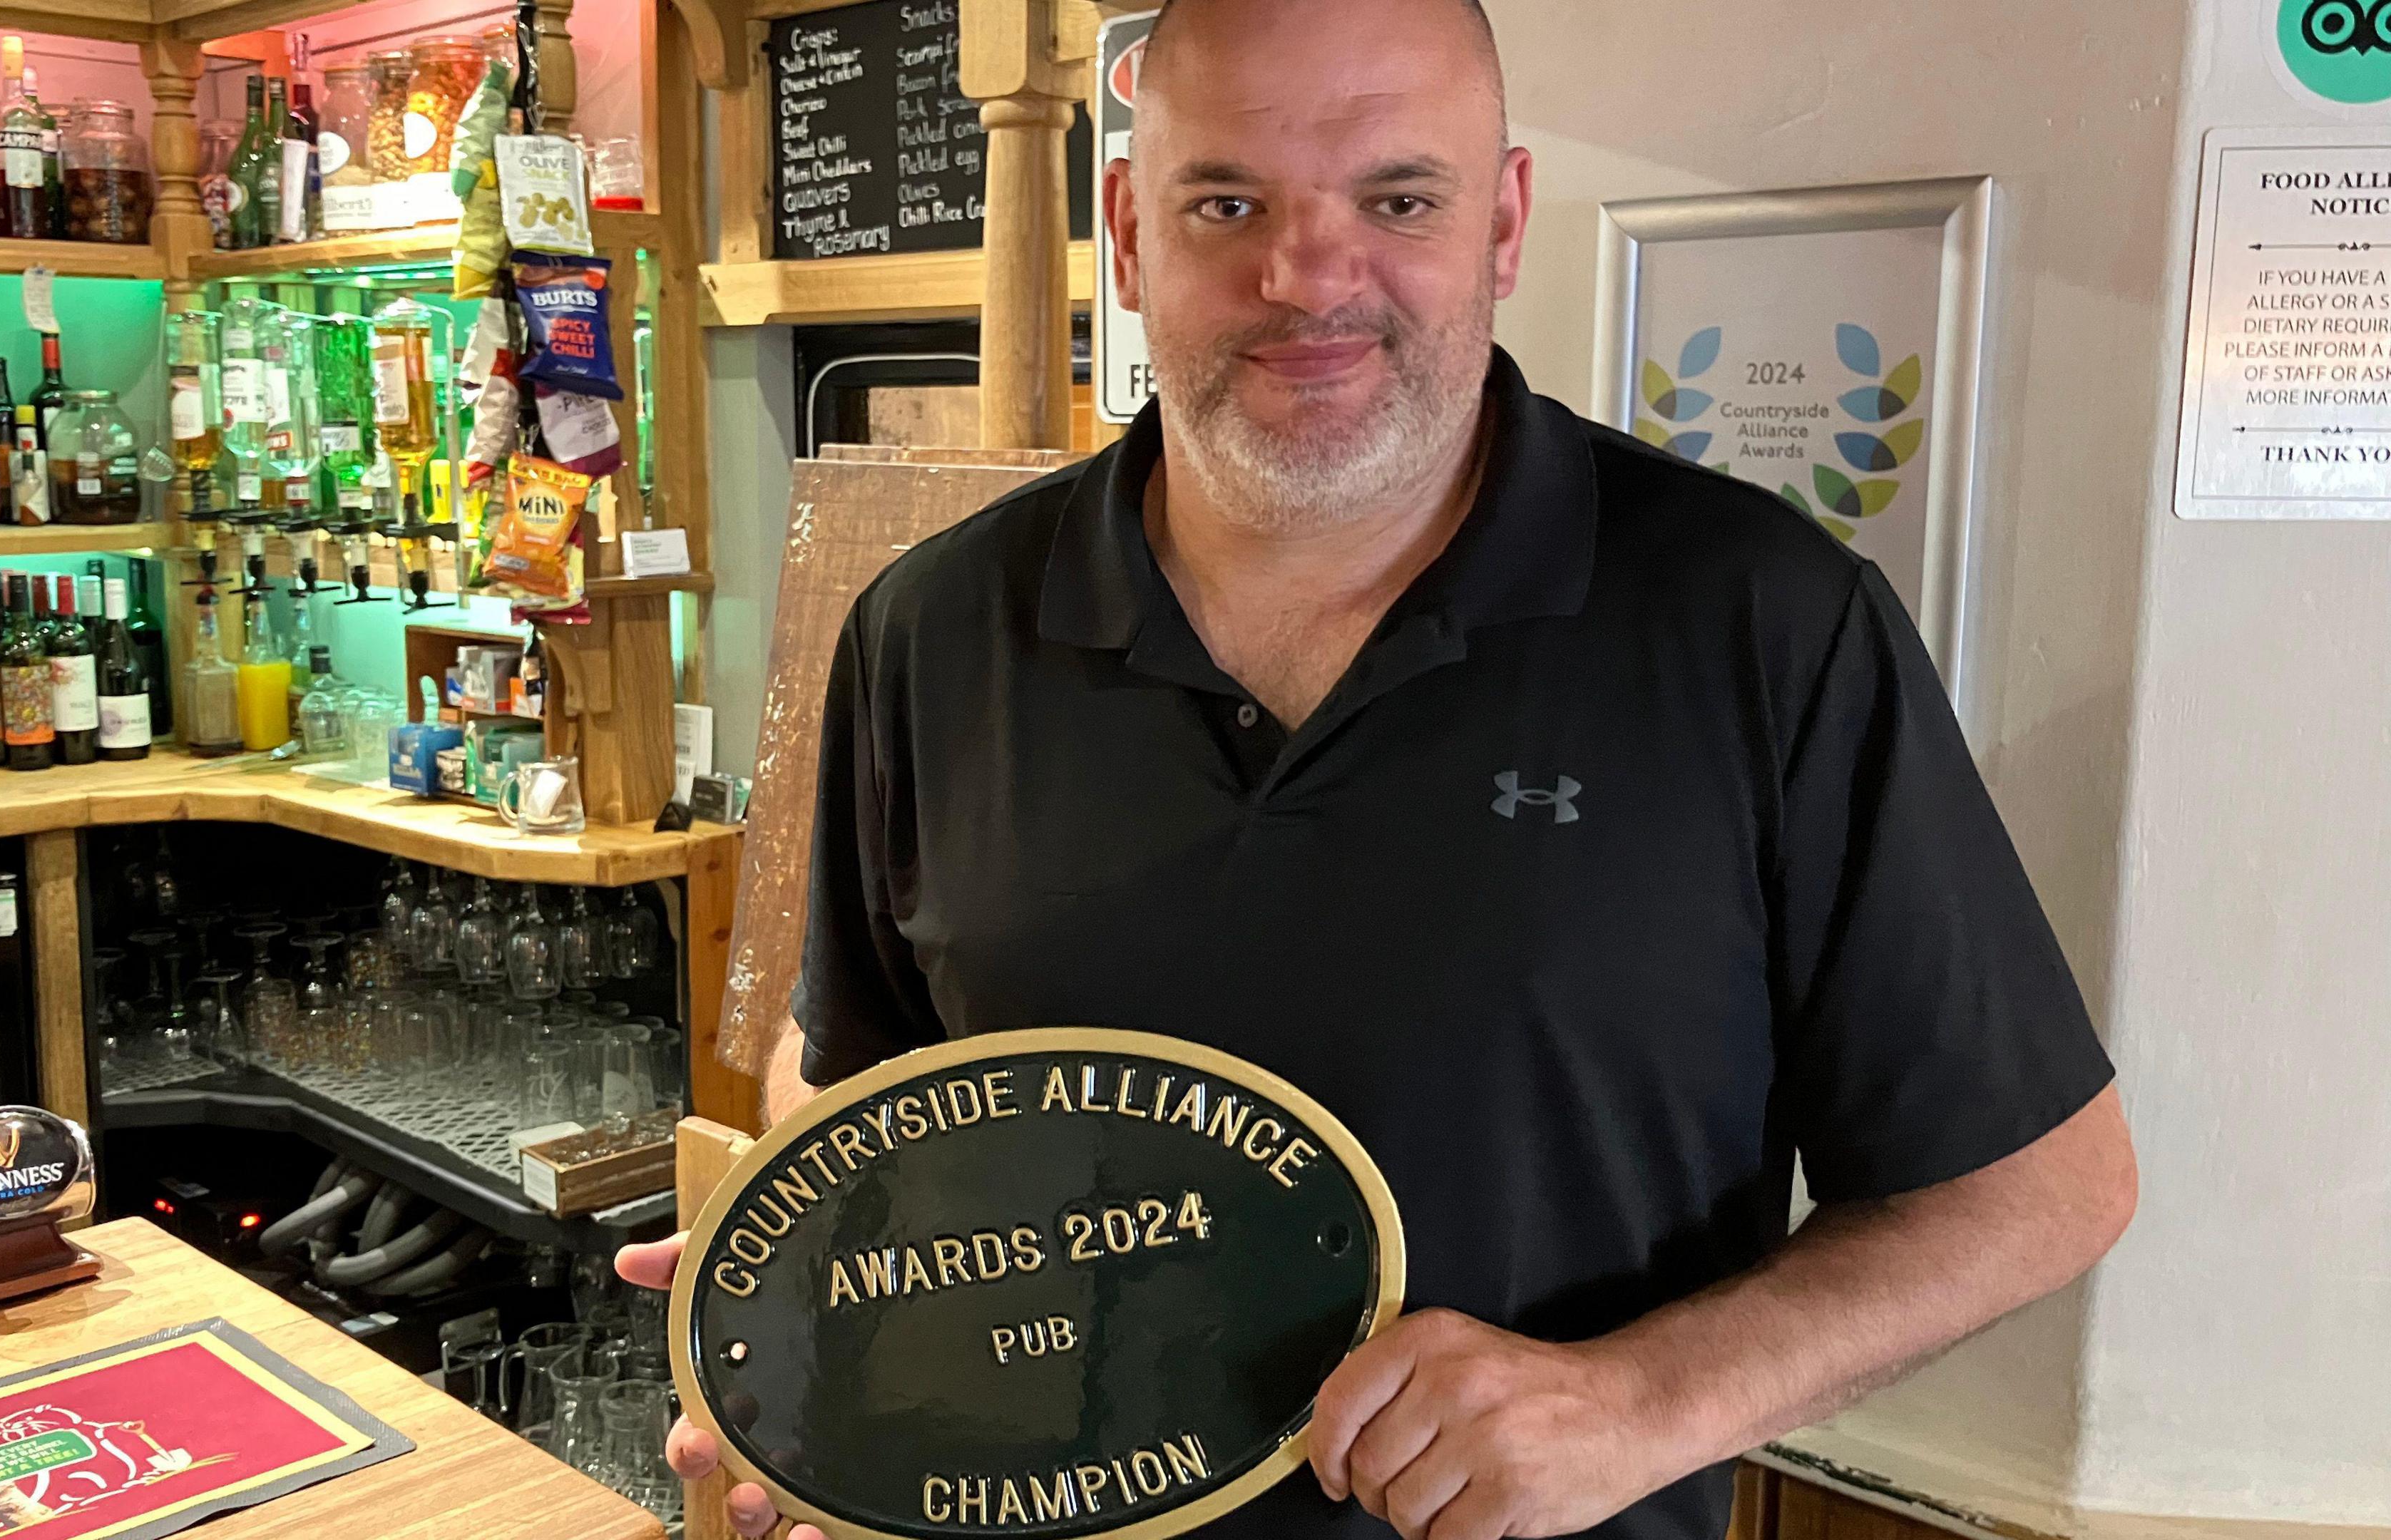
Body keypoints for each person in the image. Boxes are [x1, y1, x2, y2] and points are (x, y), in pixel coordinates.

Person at [620, 0, 2139, 1535]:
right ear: (1130, 233)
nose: (1311, 278)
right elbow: (851, 1086)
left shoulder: (1760, 622)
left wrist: (1644, 1403)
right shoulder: (934, 629)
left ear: (1504, 223)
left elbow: (2041, 1190)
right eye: (1230, 204)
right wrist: (814, 1347)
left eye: (1399, 200)